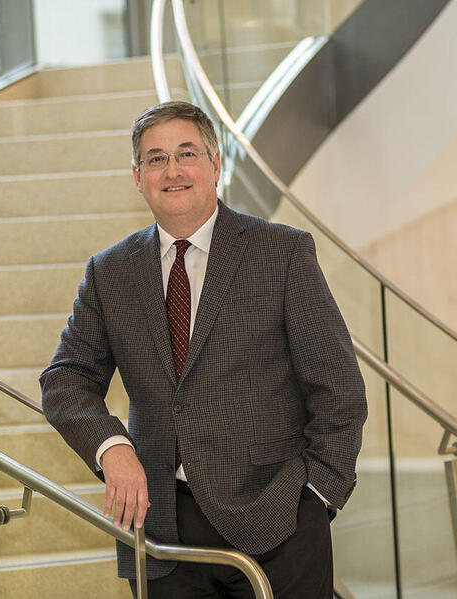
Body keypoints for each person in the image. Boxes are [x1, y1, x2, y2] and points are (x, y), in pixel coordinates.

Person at [40, 101, 367, 598]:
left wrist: (318, 495)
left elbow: (339, 387)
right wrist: (112, 448)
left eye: (186, 153)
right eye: (156, 158)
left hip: (278, 522)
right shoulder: (110, 272)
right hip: (160, 531)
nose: (172, 170)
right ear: (138, 176)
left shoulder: (282, 252)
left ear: (215, 165)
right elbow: (65, 379)